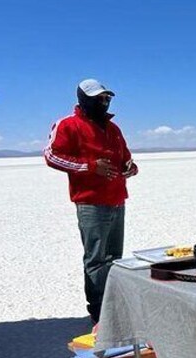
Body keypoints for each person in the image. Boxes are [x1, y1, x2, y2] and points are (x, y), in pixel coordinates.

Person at [44, 79, 138, 324]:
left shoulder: (113, 128)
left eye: (107, 98)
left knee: (114, 258)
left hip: (117, 199)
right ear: (84, 99)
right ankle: (98, 311)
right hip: (91, 203)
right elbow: (52, 155)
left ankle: (114, 306)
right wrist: (89, 167)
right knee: (96, 258)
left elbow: (124, 158)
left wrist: (129, 167)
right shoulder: (68, 125)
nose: (104, 102)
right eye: (99, 98)